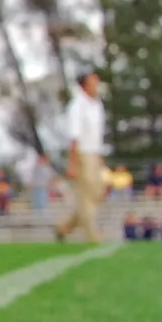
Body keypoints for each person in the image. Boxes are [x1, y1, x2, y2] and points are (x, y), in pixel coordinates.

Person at [54, 70, 110, 243]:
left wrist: (100, 156)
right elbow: (74, 137)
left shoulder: (97, 105)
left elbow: (97, 134)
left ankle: (64, 227)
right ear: (84, 86)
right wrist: (72, 163)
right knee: (85, 198)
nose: (97, 87)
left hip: (94, 153)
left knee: (98, 194)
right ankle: (93, 237)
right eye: (93, 83)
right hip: (82, 155)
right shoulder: (77, 107)